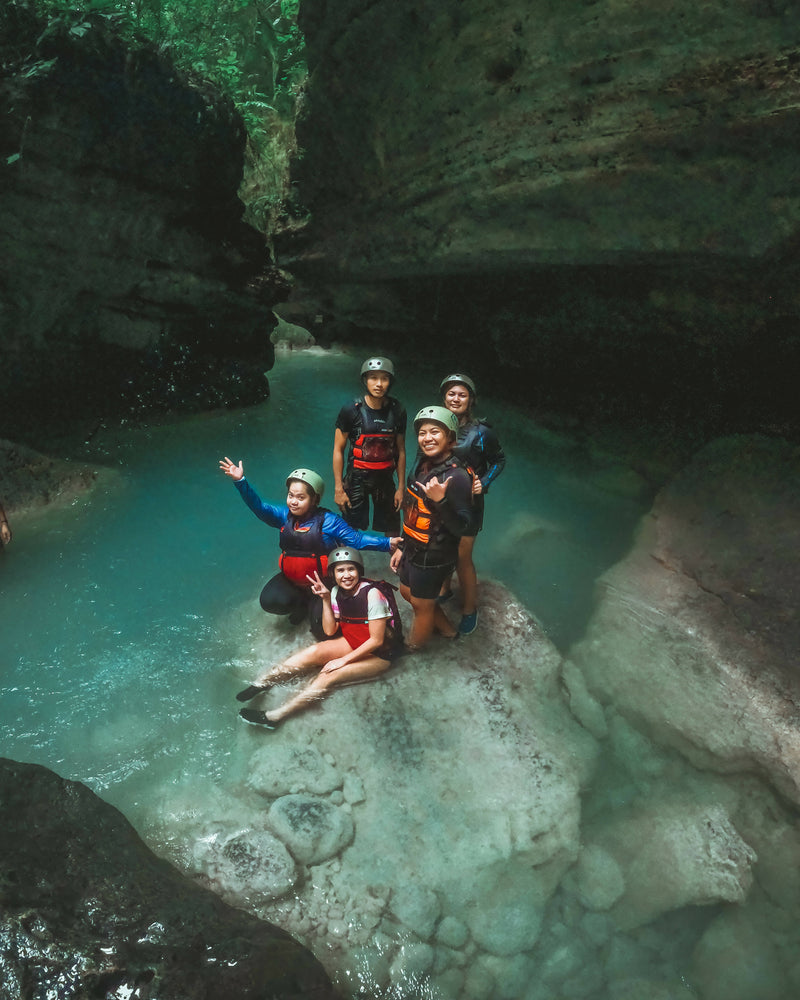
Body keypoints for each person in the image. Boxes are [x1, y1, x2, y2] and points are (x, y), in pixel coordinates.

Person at [219, 458, 400, 637]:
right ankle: (302, 602)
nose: (293, 502)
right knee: (270, 601)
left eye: (301, 497)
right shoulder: (284, 516)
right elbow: (259, 508)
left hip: (323, 585)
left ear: (314, 499)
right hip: (293, 581)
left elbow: (357, 539)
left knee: (322, 632)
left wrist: (387, 543)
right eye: (290, 495)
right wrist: (240, 481)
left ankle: (318, 603)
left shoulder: (329, 522)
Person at [237, 548, 400, 728]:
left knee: (328, 675)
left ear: (359, 571)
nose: (346, 575)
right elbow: (330, 631)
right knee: (313, 651)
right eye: (340, 570)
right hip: (354, 642)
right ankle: (263, 683)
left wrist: (342, 661)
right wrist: (325, 599)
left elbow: (376, 640)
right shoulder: (336, 592)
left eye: (351, 569)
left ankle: (274, 717)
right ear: (332, 574)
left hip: (380, 654)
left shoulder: (372, 594)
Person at [390, 406, 474, 650]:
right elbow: (412, 509)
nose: (427, 438)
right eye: (422, 433)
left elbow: (464, 527)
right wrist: (402, 546)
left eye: (435, 432)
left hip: (435, 553)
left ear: (450, 438)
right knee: (407, 591)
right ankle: (447, 630)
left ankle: (413, 647)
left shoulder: (456, 477)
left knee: (421, 604)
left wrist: (442, 501)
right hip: (415, 546)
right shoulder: (423, 466)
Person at [438, 373, 506, 635]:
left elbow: (499, 460)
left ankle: (469, 608)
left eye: (462, 395)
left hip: (468, 503)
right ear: (444, 397)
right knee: (441, 545)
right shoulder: (436, 424)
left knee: (462, 557)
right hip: (440, 499)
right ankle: (444, 589)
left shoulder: (482, 433)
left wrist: (484, 482)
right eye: (451, 394)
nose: (456, 399)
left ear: (471, 400)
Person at [332, 356, 407, 535]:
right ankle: (350, 562)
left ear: (390, 382)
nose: (379, 384)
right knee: (349, 530)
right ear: (365, 380)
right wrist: (338, 488)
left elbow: (400, 451)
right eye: (373, 378)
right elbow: (338, 450)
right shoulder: (351, 409)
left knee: (393, 528)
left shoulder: (397, 410)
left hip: (385, 478)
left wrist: (401, 488)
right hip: (357, 477)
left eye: (384, 378)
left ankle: (394, 561)